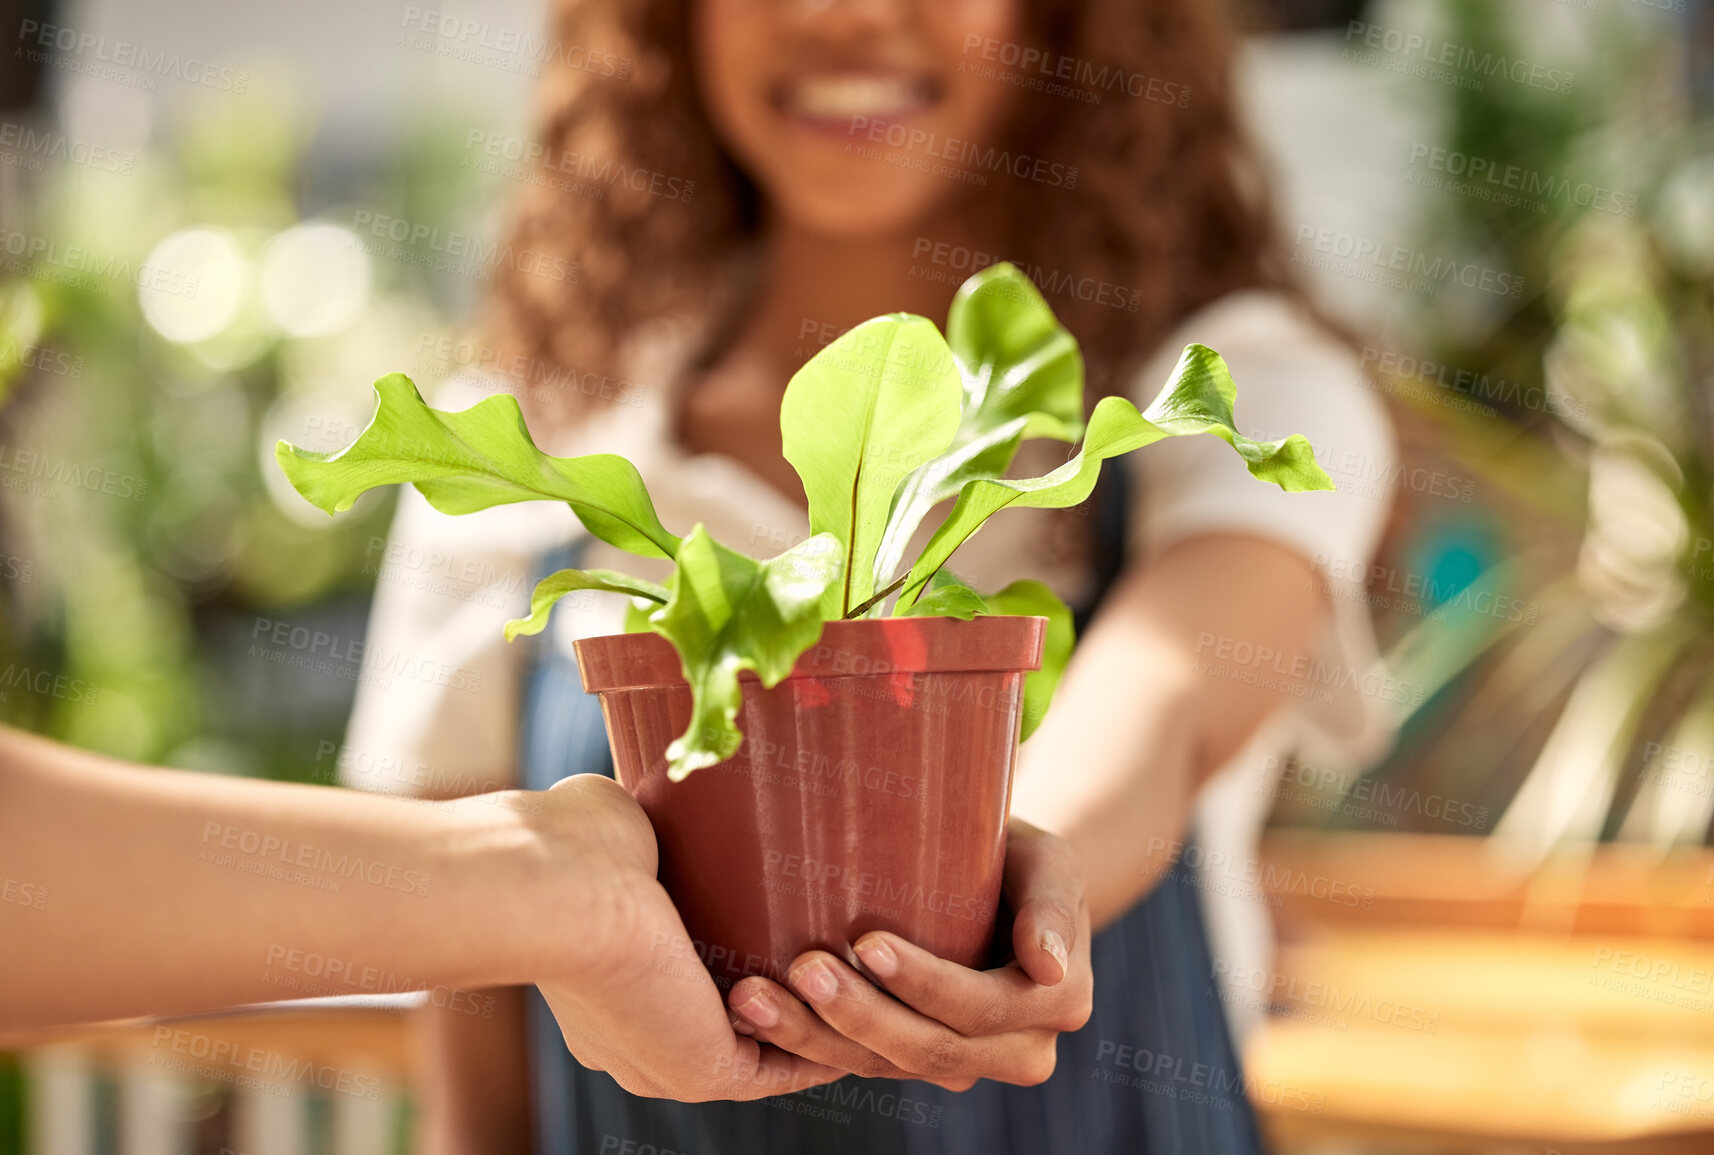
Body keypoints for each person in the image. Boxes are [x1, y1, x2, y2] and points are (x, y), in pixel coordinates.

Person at [345, 0, 1396, 1150]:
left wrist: (1019, 893)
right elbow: (480, 1072)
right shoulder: (524, 440)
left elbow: (1164, 710)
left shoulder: (1229, 390)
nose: (841, 12)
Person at [0, 724, 1088, 1103]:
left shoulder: (1202, 354)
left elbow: (1166, 703)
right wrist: (567, 891)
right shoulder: (545, 414)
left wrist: (1005, 862)